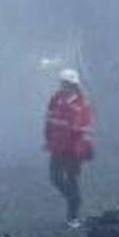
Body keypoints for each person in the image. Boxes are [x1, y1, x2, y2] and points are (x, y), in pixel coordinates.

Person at [43, 68, 94, 228]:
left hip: (73, 149)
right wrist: (48, 137)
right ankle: (73, 199)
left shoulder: (81, 103)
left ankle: (73, 216)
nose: (62, 86)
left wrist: (83, 149)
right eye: (62, 83)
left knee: (72, 180)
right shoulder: (56, 99)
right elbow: (50, 120)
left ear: (72, 85)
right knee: (55, 178)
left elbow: (82, 128)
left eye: (65, 84)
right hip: (57, 147)